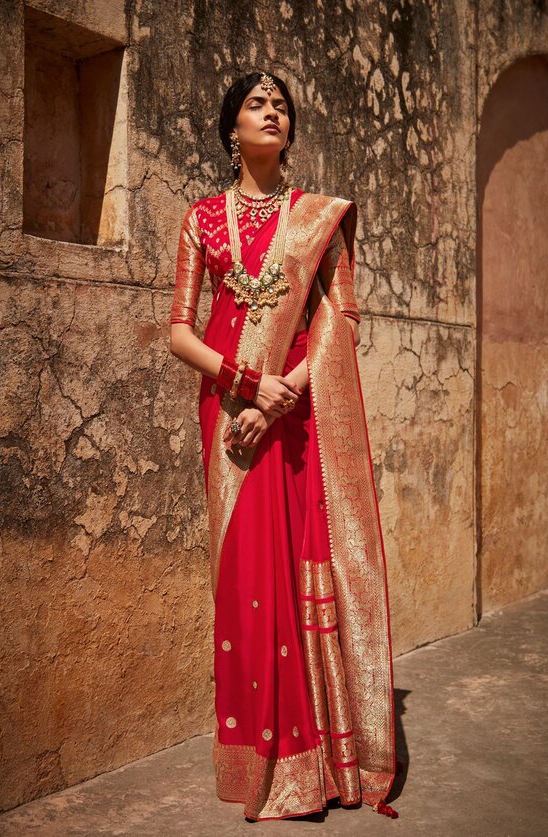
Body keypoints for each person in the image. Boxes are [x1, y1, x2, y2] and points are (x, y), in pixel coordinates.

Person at [169, 71, 399, 822]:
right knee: (243, 578)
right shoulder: (200, 219)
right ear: (230, 129)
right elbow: (179, 330)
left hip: (299, 413)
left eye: (281, 107)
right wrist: (243, 381)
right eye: (255, 105)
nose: (271, 113)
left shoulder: (315, 218)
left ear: (290, 130)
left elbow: (344, 319)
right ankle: (264, 770)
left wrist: (284, 390)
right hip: (229, 411)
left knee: (302, 565)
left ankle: (322, 765)